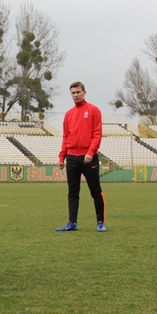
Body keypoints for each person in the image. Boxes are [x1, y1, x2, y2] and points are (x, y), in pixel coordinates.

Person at [56, 81, 106, 232]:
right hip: (72, 157)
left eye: (78, 92)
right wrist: (61, 157)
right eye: (73, 93)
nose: (75, 95)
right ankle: (72, 223)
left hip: (88, 157)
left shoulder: (93, 110)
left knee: (95, 191)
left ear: (84, 92)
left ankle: (100, 222)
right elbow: (66, 136)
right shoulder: (69, 114)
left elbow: (97, 134)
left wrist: (91, 152)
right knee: (72, 192)